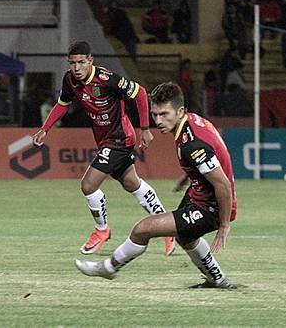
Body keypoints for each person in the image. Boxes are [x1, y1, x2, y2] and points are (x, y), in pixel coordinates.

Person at [75, 82, 236, 289]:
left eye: (164, 114)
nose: (158, 121)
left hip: (212, 206)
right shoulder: (193, 122)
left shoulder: (192, 143)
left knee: (143, 229)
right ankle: (218, 279)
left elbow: (222, 185)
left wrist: (224, 225)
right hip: (200, 194)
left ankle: (108, 268)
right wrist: (187, 179)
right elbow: (212, 158)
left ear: (179, 111)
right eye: (155, 114)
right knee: (186, 239)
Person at [32, 41, 175, 256]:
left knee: (88, 185)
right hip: (105, 140)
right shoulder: (70, 80)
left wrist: (145, 128)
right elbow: (63, 104)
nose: (77, 67)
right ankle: (168, 228)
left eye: (81, 62)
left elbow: (140, 93)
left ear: (90, 61)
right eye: (73, 63)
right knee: (132, 183)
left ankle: (102, 230)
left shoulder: (108, 79)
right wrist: (45, 129)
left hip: (120, 138)